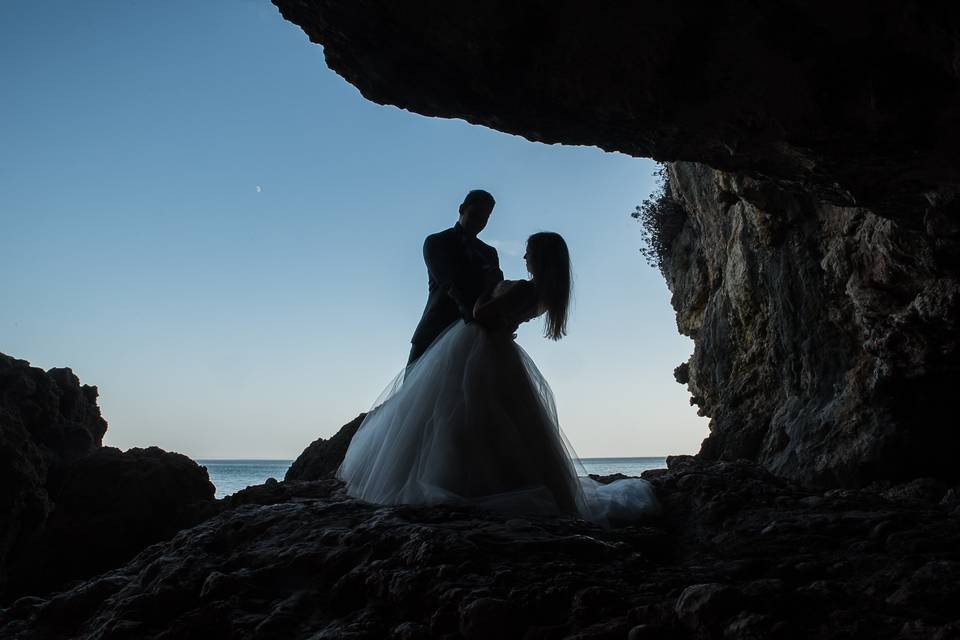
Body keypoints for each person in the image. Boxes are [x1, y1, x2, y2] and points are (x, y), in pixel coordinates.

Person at [337, 232, 660, 526]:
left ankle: (463, 482)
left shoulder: (522, 287)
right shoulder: (543, 294)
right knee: (499, 418)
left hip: (480, 349)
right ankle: (499, 479)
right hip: (499, 352)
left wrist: (488, 286)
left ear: (540, 257)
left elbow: (482, 315)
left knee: (463, 413)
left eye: (529, 252)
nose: (524, 257)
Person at [408, 189, 503, 365]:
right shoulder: (436, 242)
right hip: (434, 332)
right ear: (462, 208)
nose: (478, 223)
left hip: (476, 336)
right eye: (474, 215)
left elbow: (495, 291)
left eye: (484, 219)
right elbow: (449, 283)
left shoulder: (489, 253)